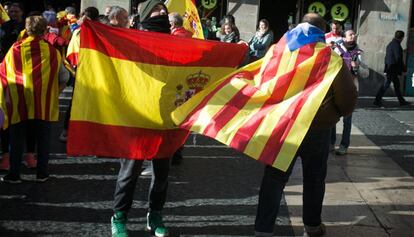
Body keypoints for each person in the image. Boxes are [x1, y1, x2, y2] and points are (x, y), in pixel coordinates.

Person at [254, 13, 357, 237]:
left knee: (274, 179)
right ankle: (311, 226)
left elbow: (261, 84)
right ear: (322, 33)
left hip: (282, 127)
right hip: (317, 130)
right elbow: (348, 100)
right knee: (314, 178)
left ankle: (263, 230)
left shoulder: (277, 52)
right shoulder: (330, 58)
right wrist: (333, 115)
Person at [110, 2, 171, 237]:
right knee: (129, 171)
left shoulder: (176, 43)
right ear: (145, 16)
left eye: (163, 11)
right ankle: (119, 217)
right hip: (136, 116)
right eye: (157, 10)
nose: (162, 13)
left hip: (165, 118)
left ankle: (154, 215)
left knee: (162, 174)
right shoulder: (132, 41)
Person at [0, 15, 69, 183]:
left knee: (16, 139)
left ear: (27, 29)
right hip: (43, 103)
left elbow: (3, 72)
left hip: (19, 102)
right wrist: (55, 92)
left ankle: (14, 174)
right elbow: (64, 76)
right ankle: (42, 173)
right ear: (45, 30)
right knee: (43, 140)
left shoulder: (15, 49)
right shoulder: (52, 52)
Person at [331, 29, 363, 155]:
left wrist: (357, 67)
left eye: (354, 34)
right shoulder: (337, 50)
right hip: (336, 87)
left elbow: (366, 74)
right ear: (344, 38)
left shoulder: (358, 52)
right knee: (333, 116)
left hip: (351, 90)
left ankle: (344, 145)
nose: (353, 36)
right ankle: (331, 143)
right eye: (350, 34)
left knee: (347, 120)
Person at [374, 30, 411, 107]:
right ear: (402, 38)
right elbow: (398, 59)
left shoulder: (390, 44)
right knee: (385, 85)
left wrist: (385, 69)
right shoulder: (397, 46)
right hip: (392, 70)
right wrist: (404, 69)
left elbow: (386, 58)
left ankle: (402, 101)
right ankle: (377, 101)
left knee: (396, 85)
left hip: (390, 69)